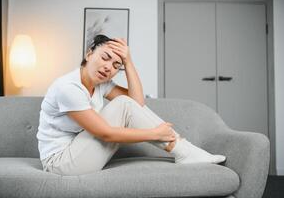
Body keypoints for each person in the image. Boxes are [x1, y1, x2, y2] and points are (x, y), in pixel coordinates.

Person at [36, 34, 226, 176]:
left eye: (116, 65)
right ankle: (185, 151)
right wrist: (154, 134)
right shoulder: (68, 88)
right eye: (105, 57)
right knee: (122, 105)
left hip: (79, 152)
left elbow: (138, 103)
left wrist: (128, 62)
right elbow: (106, 133)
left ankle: (185, 151)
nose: (108, 67)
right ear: (88, 54)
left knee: (126, 103)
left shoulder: (101, 84)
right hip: (60, 163)